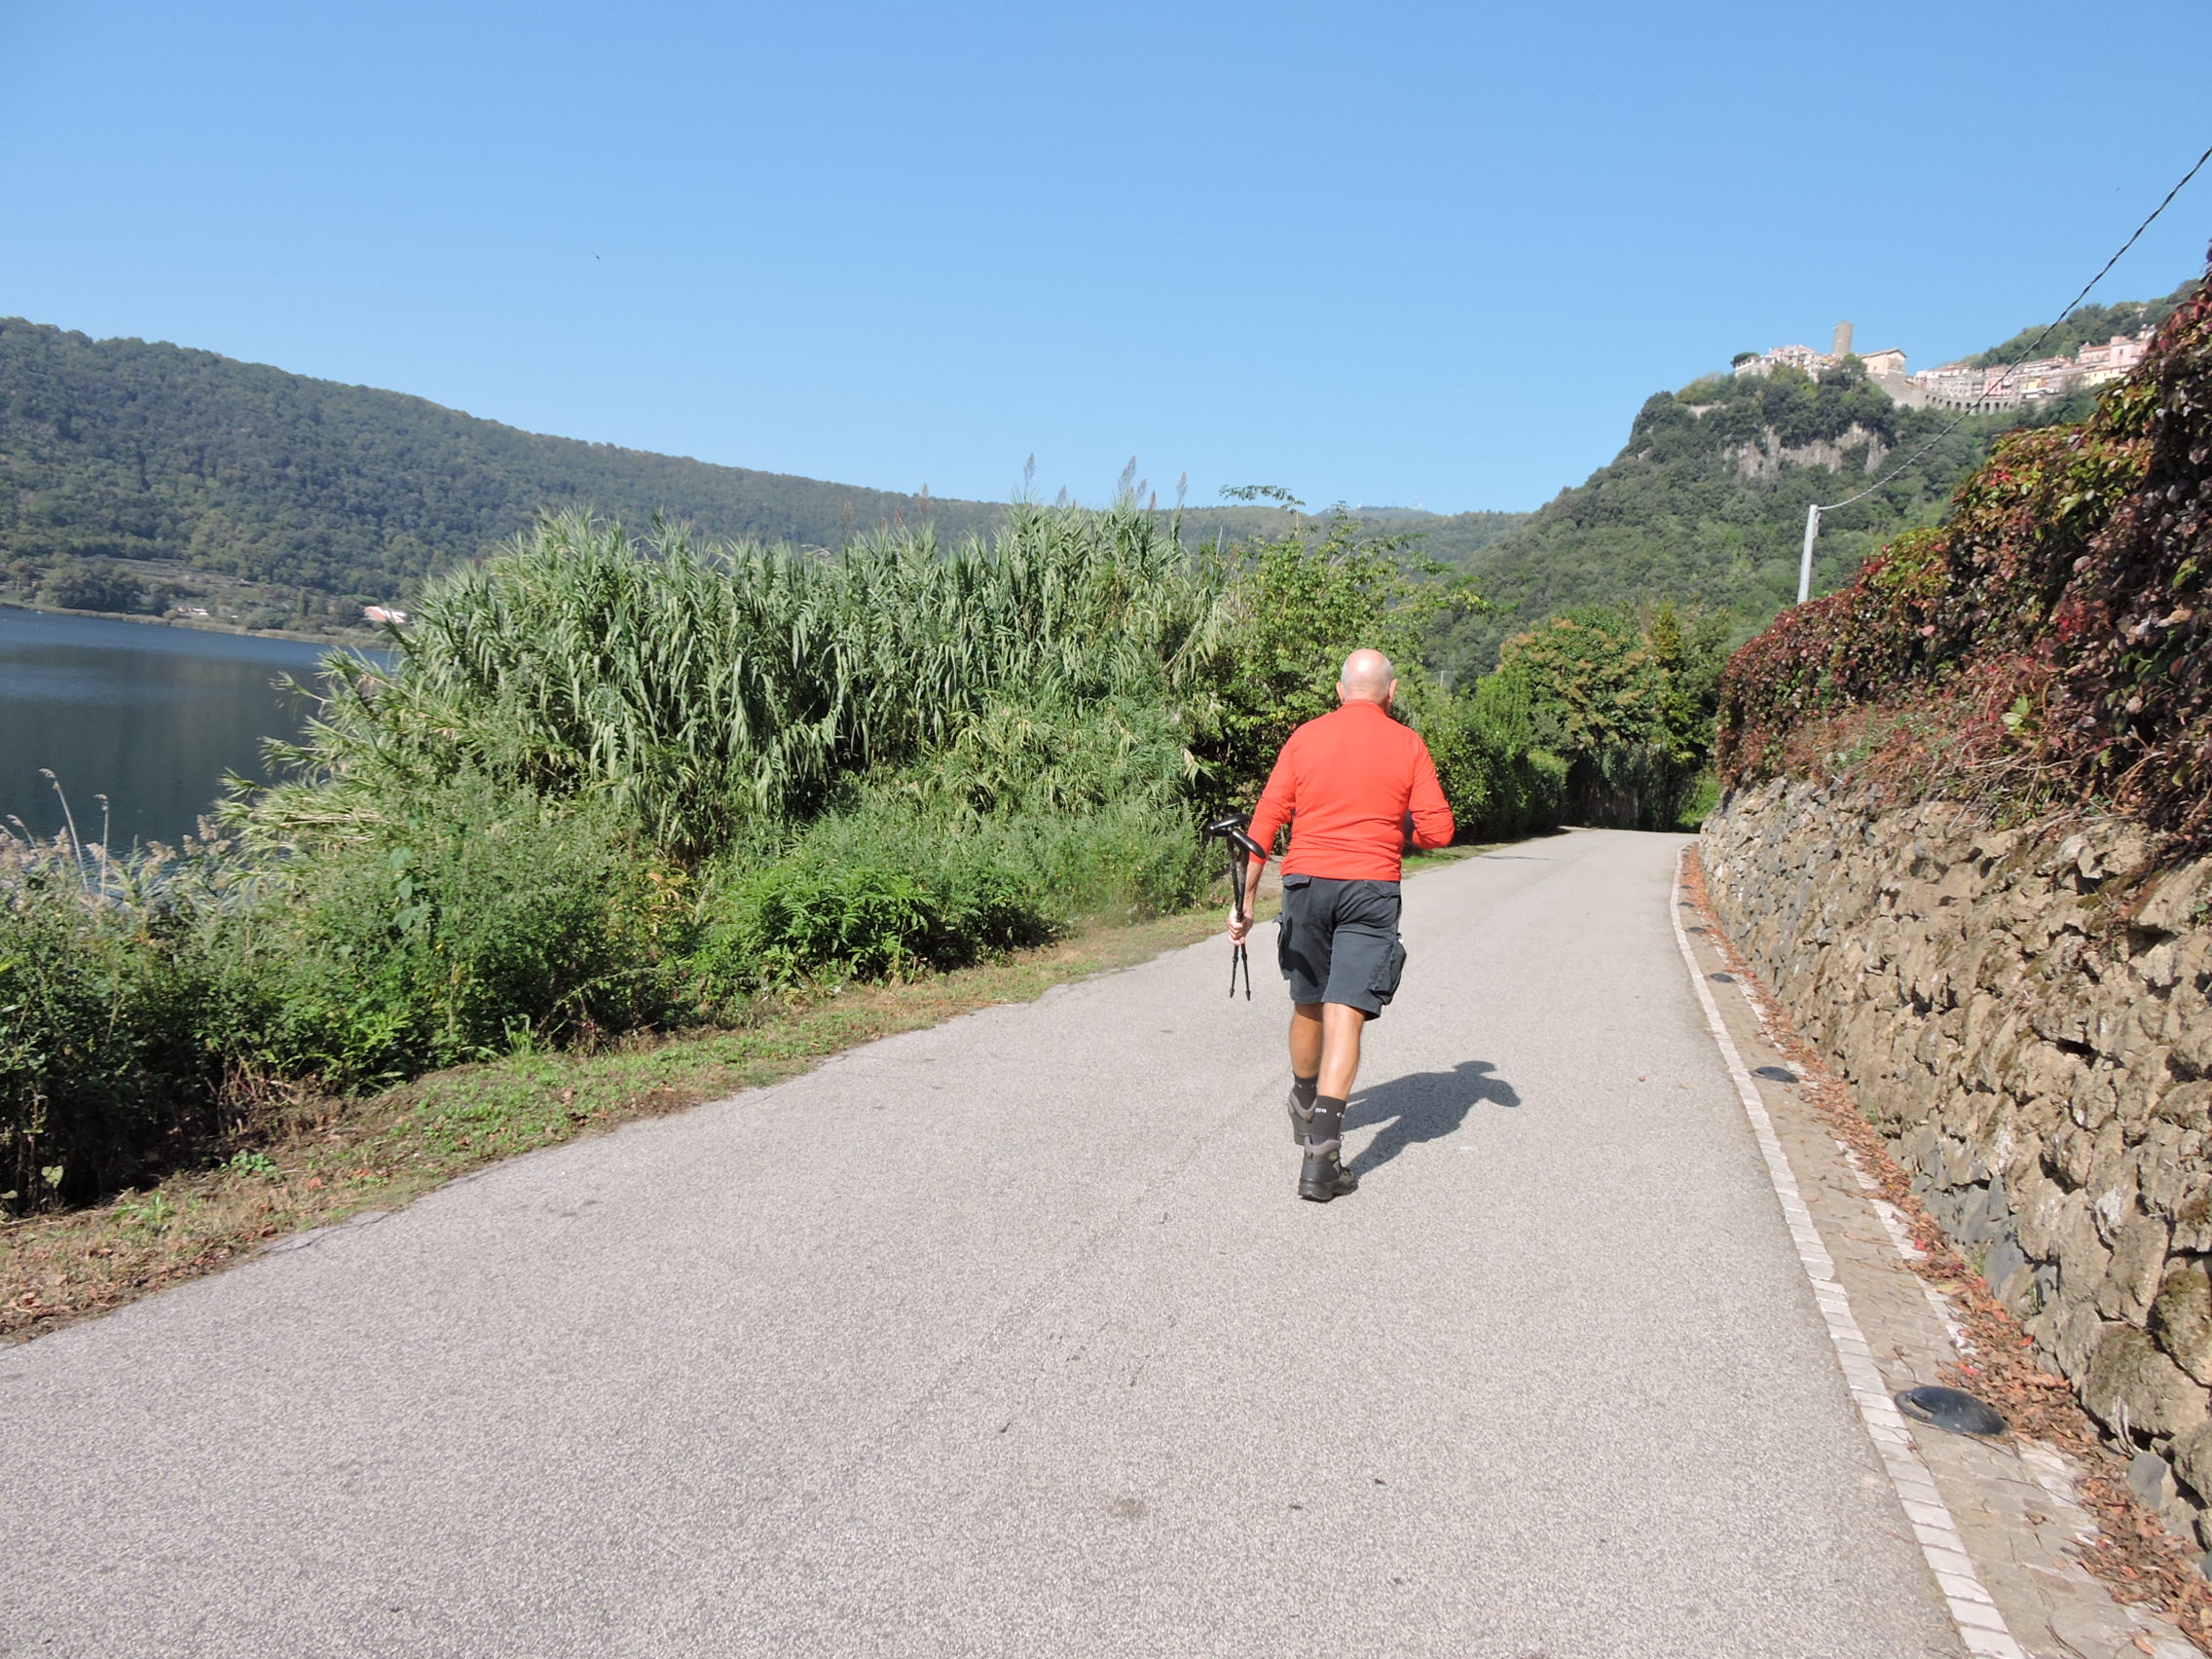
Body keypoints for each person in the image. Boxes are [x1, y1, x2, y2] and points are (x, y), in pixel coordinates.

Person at [1229, 648, 1455, 1202]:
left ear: (1339, 690)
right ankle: (1322, 1162)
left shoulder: (1305, 737)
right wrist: (1393, 826)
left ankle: (1305, 1101)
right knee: (1345, 1016)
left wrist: (1248, 900)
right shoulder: (1408, 744)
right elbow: (1439, 832)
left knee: (1308, 1002)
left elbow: (1266, 819)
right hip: (1371, 888)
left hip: (1306, 884)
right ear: (1392, 692)